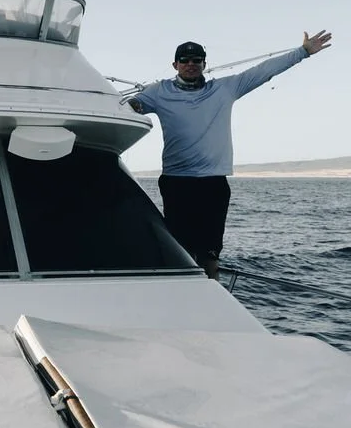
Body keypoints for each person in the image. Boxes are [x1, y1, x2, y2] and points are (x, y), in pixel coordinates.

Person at [129, 31, 333, 279]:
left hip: (213, 183)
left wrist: (303, 52)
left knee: (210, 252)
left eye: (196, 60)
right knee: (178, 249)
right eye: (185, 60)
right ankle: (179, 298)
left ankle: (212, 301)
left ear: (205, 64)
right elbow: (131, 107)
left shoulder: (225, 88)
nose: (191, 65)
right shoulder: (158, 92)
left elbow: (262, 71)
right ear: (175, 65)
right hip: (176, 181)